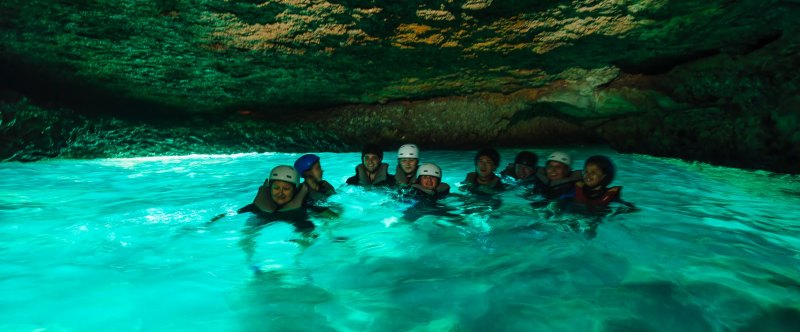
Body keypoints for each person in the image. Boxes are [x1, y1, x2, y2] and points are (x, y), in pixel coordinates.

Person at [237, 165, 313, 230]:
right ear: (270, 188)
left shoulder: (303, 211)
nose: (280, 193)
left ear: (295, 190)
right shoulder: (256, 208)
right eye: (276, 188)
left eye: (286, 189)